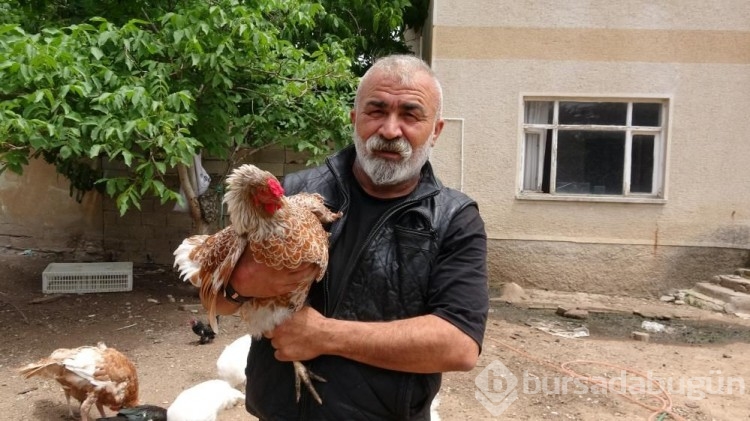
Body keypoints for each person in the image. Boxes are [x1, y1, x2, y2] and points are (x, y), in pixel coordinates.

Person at [215, 54, 489, 420]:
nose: (390, 130)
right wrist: (239, 287)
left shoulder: (454, 219)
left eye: (410, 114)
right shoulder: (292, 196)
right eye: (376, 111)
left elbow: (459, 346)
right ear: (353, 119)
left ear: (435, 130)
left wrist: (324, 335)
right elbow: (216, 302)